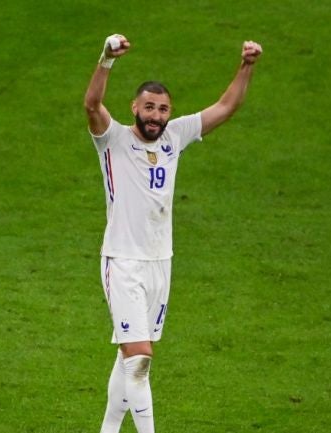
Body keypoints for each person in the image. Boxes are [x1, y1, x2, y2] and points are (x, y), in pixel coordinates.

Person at [84, 33, 263, 433]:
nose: (156, 115)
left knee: (128, 359)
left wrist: (247, 66)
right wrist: (106, 59)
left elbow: (227, 105)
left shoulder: (174, 137)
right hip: (124, 261)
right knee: (140, 360)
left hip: (161, 264)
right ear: (134, 107)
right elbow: (92, 105)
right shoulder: (112, 140)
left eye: (163, 109)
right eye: (149, 107)